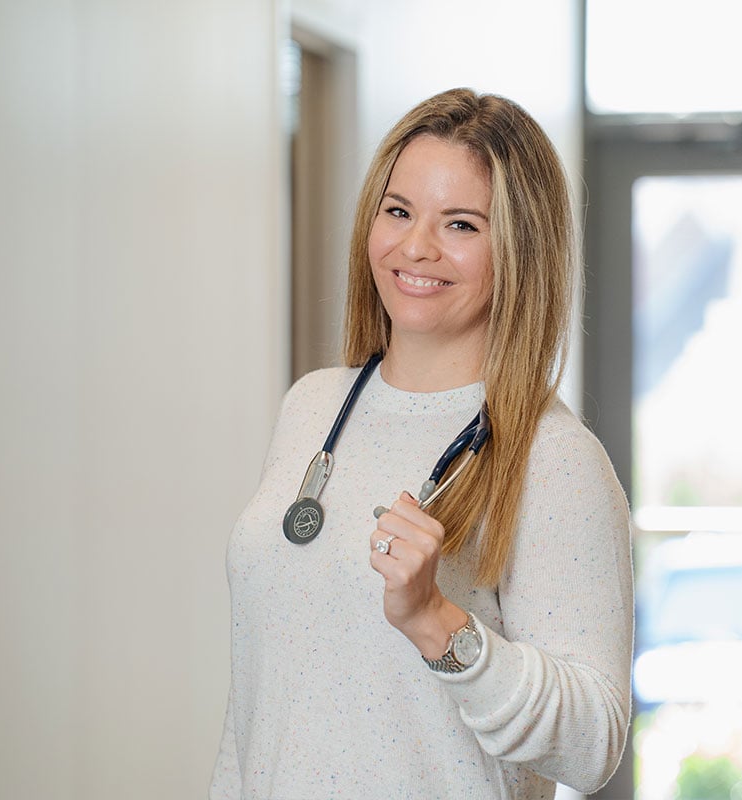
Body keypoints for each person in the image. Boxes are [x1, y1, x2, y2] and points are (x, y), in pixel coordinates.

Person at [210, 88, 632, 800]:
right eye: (398, 211)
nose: (415, 248)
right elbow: (258, 702)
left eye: (461, 224)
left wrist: (436, 621)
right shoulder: (312, 406)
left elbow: (594, 744)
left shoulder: (552, 457)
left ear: (519, 251)